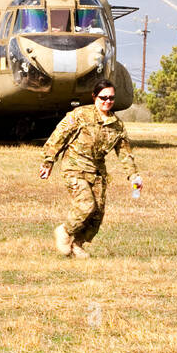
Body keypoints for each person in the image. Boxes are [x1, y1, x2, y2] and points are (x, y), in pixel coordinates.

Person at [39, 80, 141, 258]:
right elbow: (58, 136)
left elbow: (124, 153)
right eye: (103, 97)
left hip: (97, 171)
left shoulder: (117, 125)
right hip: (74, 167)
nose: (107, 101)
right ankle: (64, 232)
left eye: (111, 98)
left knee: (97, 214)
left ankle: (77, 245)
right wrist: (48, 162)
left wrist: (133, 176)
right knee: (86, 204)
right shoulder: (80, 115)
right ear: (95, 97)